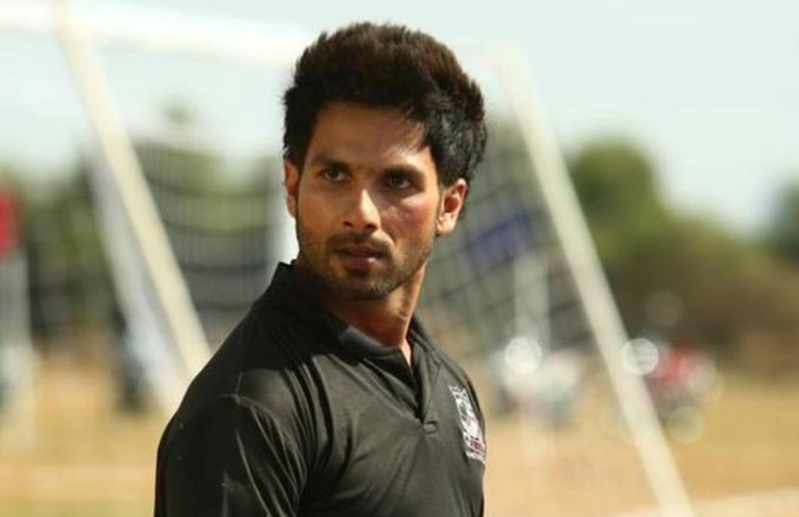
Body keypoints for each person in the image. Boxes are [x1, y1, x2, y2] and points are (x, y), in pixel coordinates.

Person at [154, 21, 488, 517]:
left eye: (397, 181)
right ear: (292, 187)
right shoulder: (251, 408)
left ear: (450, 205)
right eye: (334, 174)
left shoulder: (448, 384)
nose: (362, 213)